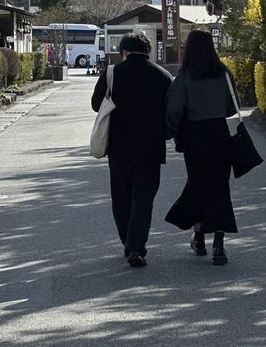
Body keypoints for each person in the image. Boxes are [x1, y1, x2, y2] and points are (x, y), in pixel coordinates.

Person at [91, 31, 172, 268]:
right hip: (150, 147)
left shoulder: (112, 73)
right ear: (147, 50)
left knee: (122, 196)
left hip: (118, 147)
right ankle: (136, 246)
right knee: (143, 198)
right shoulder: (163, 75)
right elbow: (171, 111)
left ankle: (128, 240)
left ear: (123, 52)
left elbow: (96, 105)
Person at [164, 29, 239, 265]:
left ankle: (198, 236)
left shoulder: (185, 76)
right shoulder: (223, 73)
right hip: (220, 134)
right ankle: (219, 244)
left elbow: (174, 110)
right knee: (219, 187)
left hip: (194, 137)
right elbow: (232, 104)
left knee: (197, 185)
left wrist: (171, 133)